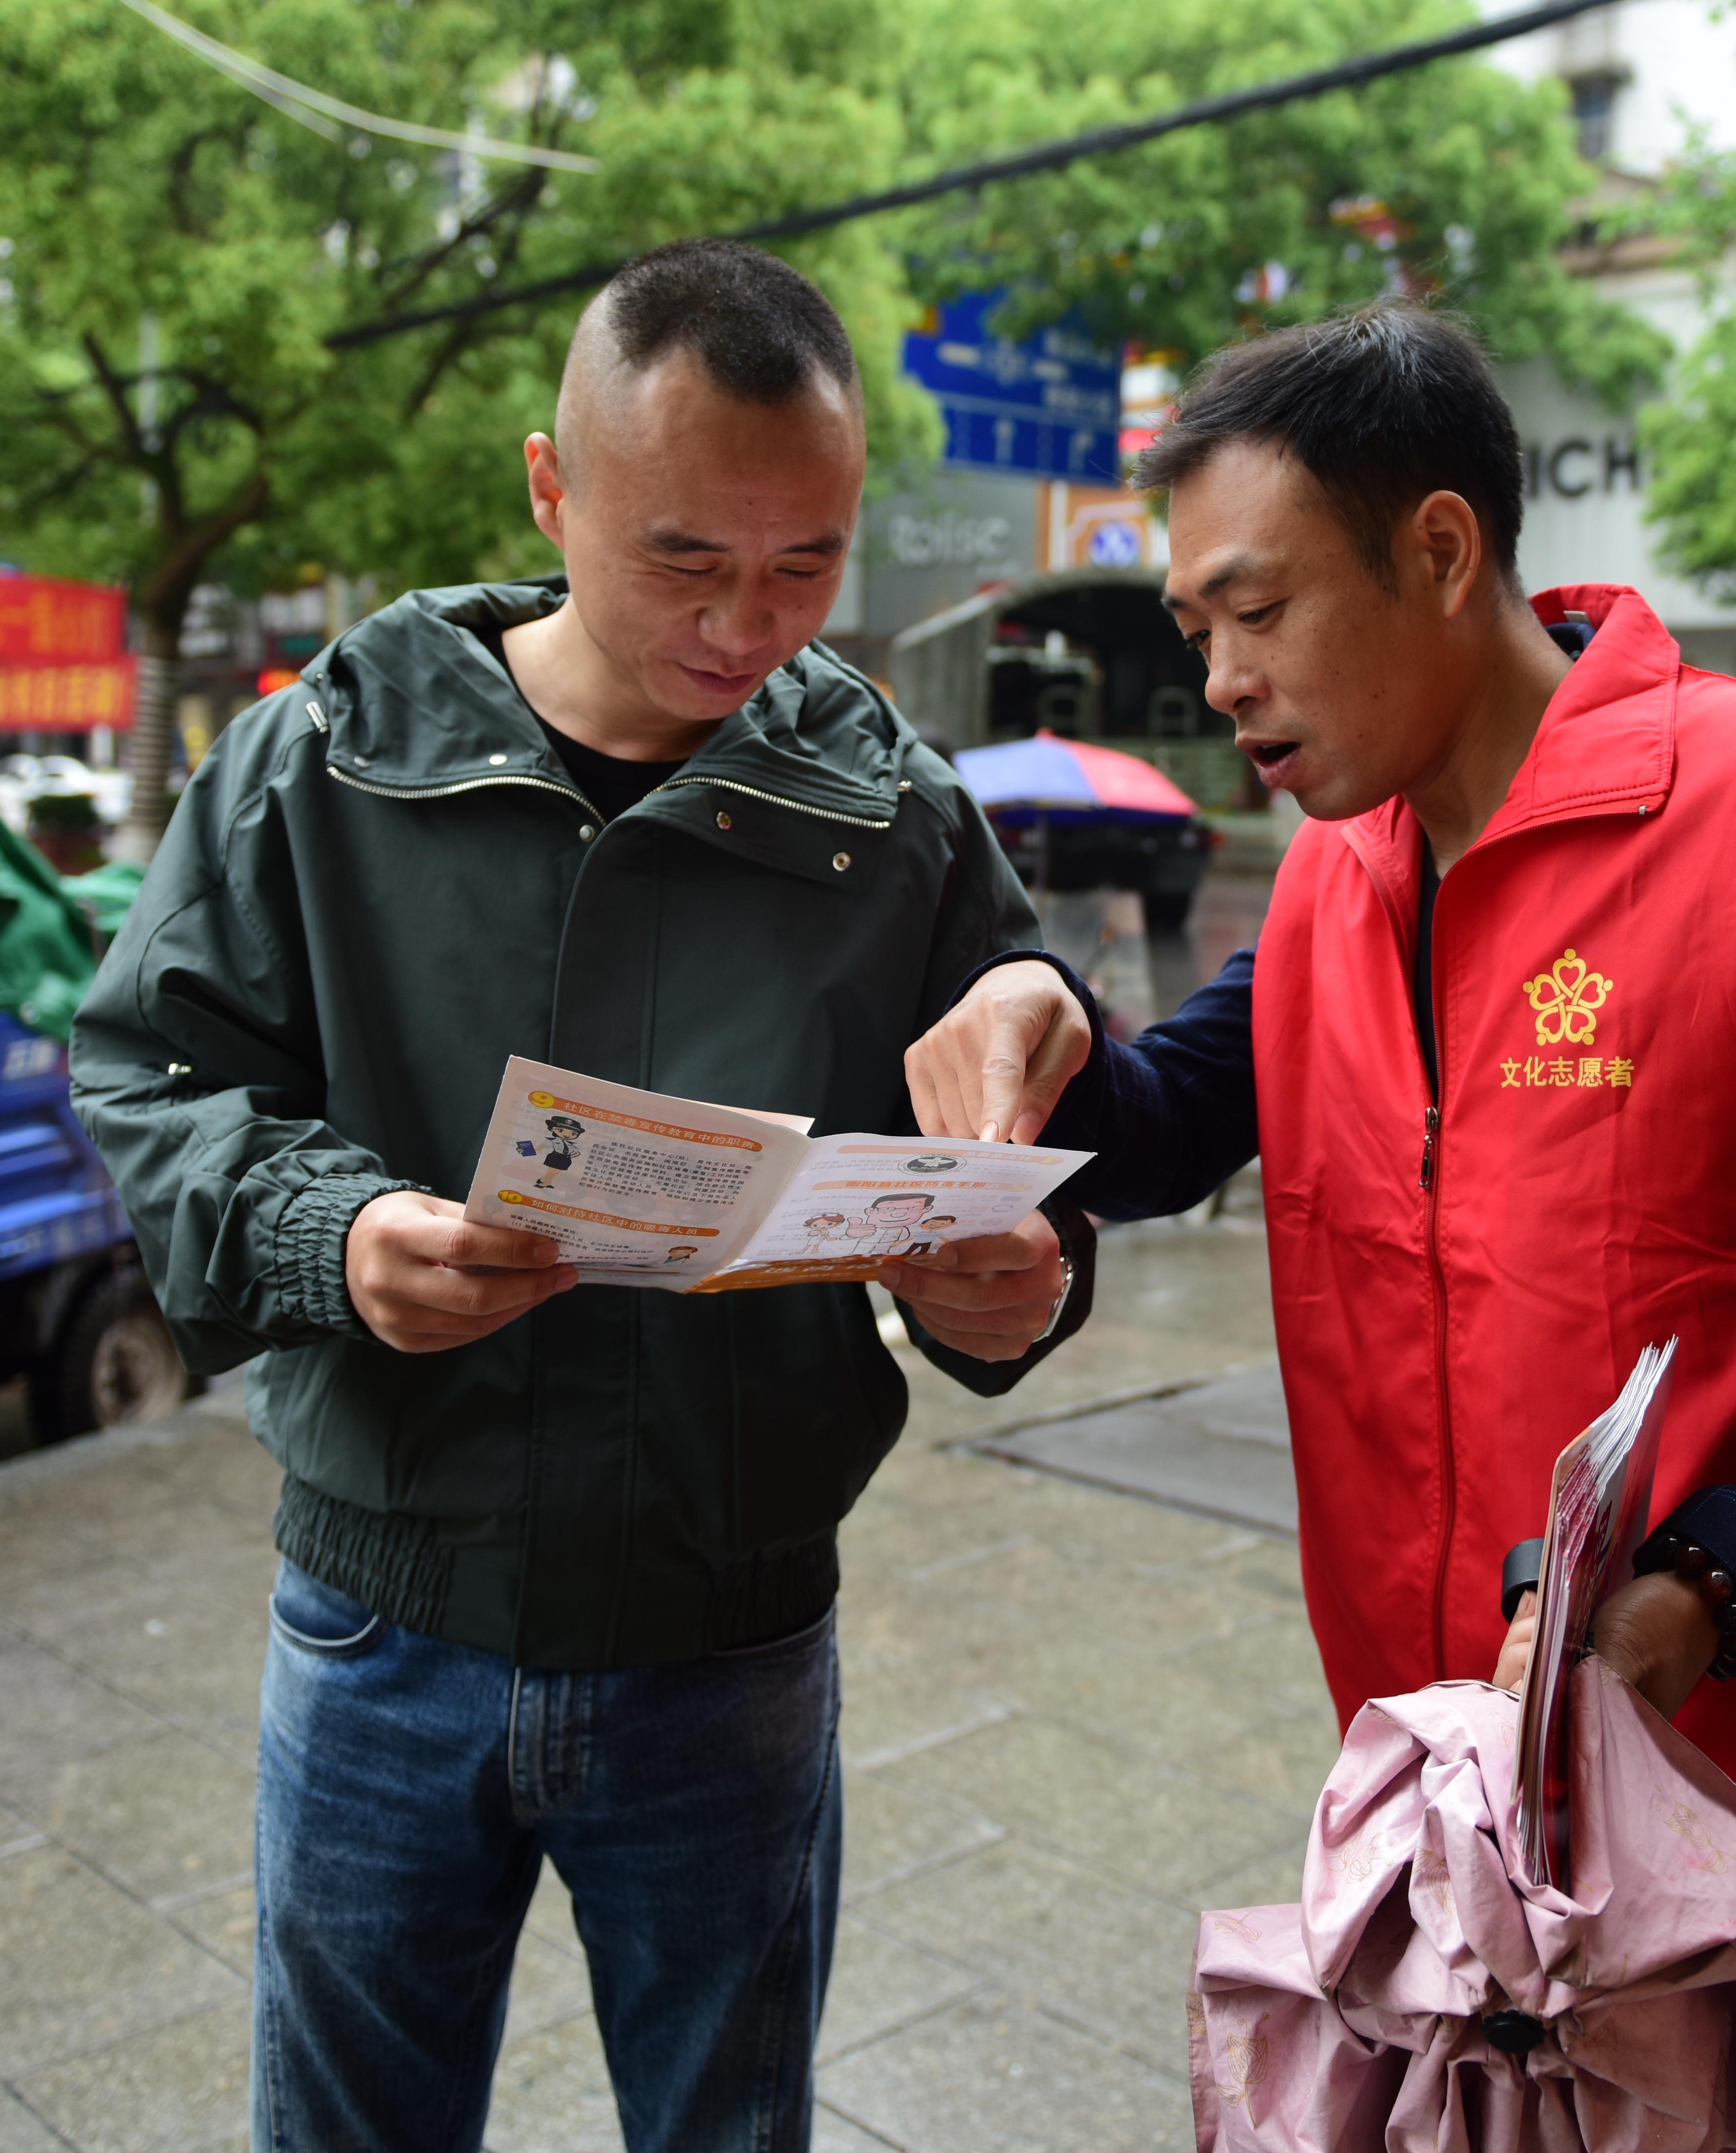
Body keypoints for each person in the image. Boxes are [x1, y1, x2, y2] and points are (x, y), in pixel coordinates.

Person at [905, 300, 1736, 2005]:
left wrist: (1716, 1582)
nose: (1223, 676)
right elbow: (1163, 1121)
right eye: (1198, 627)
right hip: (1451, 1795)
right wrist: (1032, 1007)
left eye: (1258, 608)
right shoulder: (1342, 865)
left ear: (1443, 550)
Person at [70, 239, 1090, 2153]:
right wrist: (338, 1238)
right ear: (551, 489)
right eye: (686, 558)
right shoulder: (326, 763)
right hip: (387, 1614)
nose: (747, 627)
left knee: (729, 2123)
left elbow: (1005, 1170)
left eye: (807, 565)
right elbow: (153, 1075)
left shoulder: (895, 818)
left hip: (731, 1633)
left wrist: (1010, 1278)